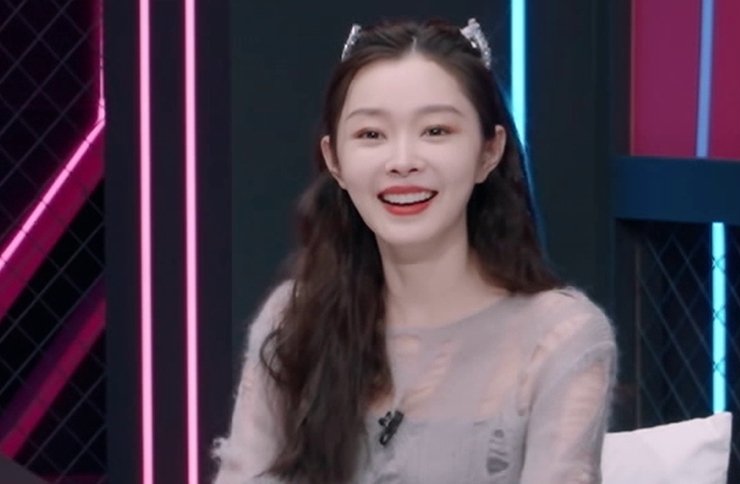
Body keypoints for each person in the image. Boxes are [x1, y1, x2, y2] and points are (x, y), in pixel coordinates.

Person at [213, 18, 616, 484]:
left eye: (436, 131)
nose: (402, 161)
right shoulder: (293, 320)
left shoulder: (560, 339)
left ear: (489, 151)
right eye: (371, 135)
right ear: (334, 160)